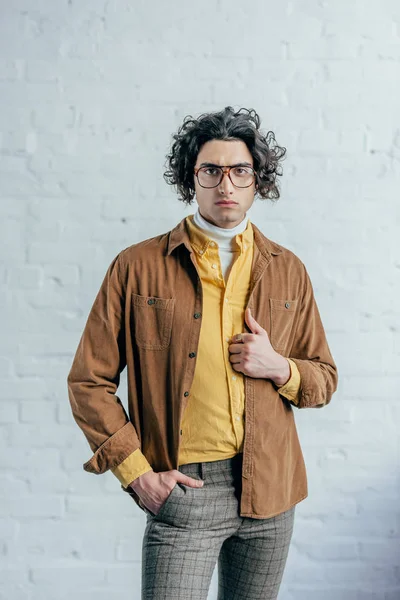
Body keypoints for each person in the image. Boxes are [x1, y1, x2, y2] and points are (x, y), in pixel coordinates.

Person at [67, 106, 338, 600]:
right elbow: (89, 381)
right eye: (210, 170)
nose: (226, 185)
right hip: (184, 492)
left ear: (258, 180)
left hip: (271, 492)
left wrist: (281, 368)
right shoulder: (137, 268)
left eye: (240, 171)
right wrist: (137, 474)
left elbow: (323, 378)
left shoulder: (289, 270)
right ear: (191, 177)